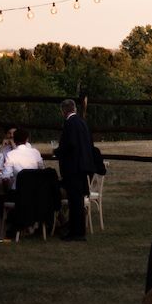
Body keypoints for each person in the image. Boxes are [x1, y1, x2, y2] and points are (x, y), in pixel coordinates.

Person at [56, 98, 94, 241]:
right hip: (83, 166)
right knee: (77, 200)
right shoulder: (82, 123)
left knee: (74, 201)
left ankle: (76, 232)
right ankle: (78, 230)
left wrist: (58, 151)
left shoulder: (69, 124)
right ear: (75, 109)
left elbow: (70, 145)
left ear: (63, 111)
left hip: (73, 167)